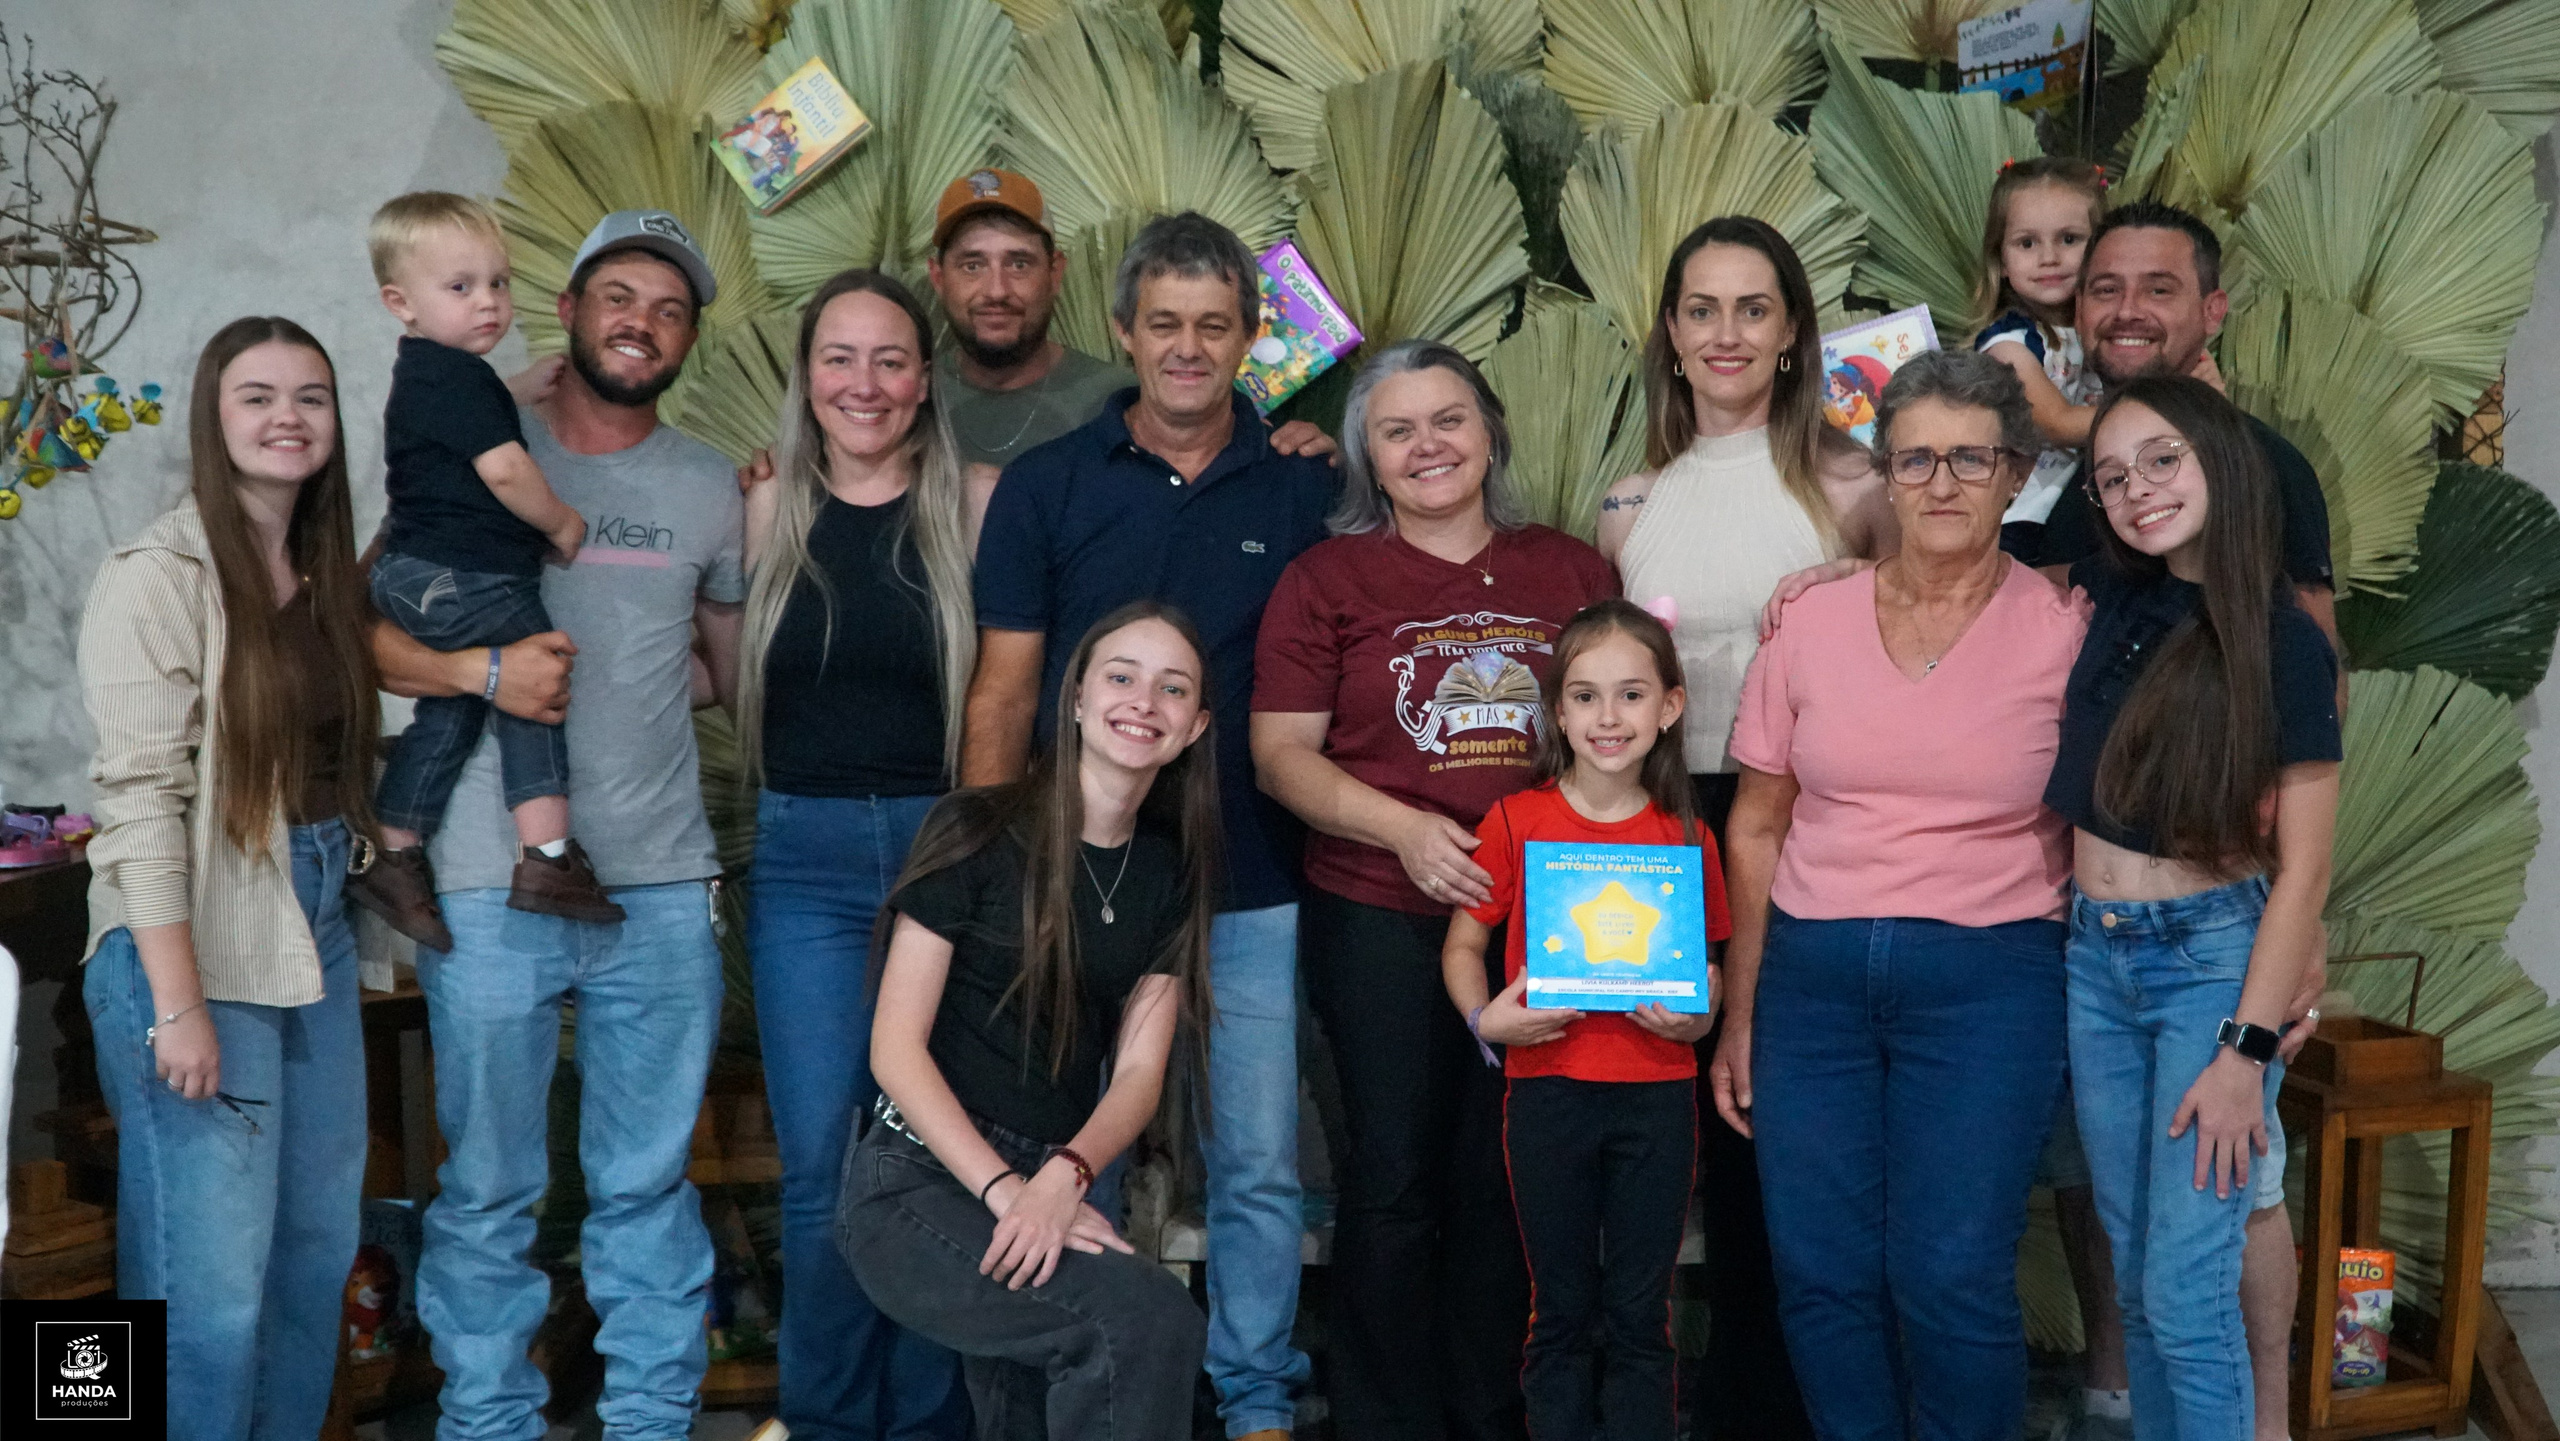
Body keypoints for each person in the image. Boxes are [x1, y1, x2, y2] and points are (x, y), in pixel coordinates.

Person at [368, 209, 747, 1441]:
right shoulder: (480, 438)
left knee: (647, 1185)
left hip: (659, 881)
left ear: (686, 339)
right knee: (487, 1189)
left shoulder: (708, 484)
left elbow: (728, 672)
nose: (643, 322)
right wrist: (485, 675)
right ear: (571, 311)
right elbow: (365, 633)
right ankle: (488, 1423)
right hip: (489, 879)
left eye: (670, 309)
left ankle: (648, 1422)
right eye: (619, 296)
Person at [963, 210, 1325, 1441]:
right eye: (1163, 323)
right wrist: (986, 863)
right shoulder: (1048, 484)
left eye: (1213, 326)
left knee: (1257, 1160)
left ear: (1251, 337)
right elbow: (1005, 689)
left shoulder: (1301, 487)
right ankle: (1100, 1388)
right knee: (1085, 1150)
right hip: (1085, 880)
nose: (1187, 348)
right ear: (1122, 330)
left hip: (1251, 879)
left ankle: (1255, 1398)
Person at [1716, 350, 2085, 1439]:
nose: (1941, 483)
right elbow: (1756, 823)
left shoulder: (2065, 628)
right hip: (1812, 982)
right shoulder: (1811, 621)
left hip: (1990, 982)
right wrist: (1743, 1009)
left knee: (1951, 1272)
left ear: (2014, 474)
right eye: (1915, 458)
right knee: (1821, 1272)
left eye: (1970, 458)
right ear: (1883, 472)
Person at [1251, 340, 1617, 1438]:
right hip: (1380, 909)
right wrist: (1404, 830)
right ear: (1367, 453)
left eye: (1448, 420)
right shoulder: (1327, 578)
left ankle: (1492, 1412)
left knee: (1509, 1175)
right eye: (1397, 429)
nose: (1427, 447)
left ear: (1490, 432)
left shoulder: (1569, 571)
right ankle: (1386, 1418)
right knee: (1394, 1177)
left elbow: (1619, 728)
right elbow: (1280, 754)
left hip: (1540, 917)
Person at [1594, 214, 1889, 1441]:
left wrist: (1857, 581)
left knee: (1776, 1124)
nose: (1725, 332)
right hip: (1666, 829)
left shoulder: (1854, 487)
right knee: (1674, 1126)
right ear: (1670, 333)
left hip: (1808, 827)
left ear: (1791, 334)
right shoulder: (1628, 503)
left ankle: (1779, 1406)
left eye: (1752, 308)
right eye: (1701, 309)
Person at [78, 316, 382, 1440]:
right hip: (194, 939)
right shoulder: (155, 575)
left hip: (315, 925)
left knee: (312, 1259)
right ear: (214, 418)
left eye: (311, 395)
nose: (287, 416)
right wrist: (179, 1003)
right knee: (206, 1293)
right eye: (257, 395)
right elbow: (139, 806)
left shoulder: (320, 572)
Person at [844, 602, 1221, 1441]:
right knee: (1141, 1323)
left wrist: (1064, 1176)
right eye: (1121, 676)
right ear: (1077, 697)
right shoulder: (976, 828)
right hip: (920, 1177)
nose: (1144, 701)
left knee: (1029, 1412)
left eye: (1173, 688)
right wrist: (1010, 1191)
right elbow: (894, 1048)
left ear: (1195, 727)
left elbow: (1139, 1073)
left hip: (1052, 1176)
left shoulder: (1168, 870)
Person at [2054, 376, 2340, 1439]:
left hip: (2206, 966)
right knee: (2136, 1278)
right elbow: (1974, 557)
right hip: (2095, 961)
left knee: (2185, 1286)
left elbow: (2303, 869)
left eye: (2162, 459)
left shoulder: (2281, 638)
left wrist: (2243, 1051)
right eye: (2112, 476)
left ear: (2221, 456)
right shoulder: (2117, 592)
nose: (2137, 489)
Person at [733, 270, 979, 1440]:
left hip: (945, 855)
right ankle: (827, 1420)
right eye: (839, 357)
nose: (864, 383)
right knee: (823, 1160)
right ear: (806, 375)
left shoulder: (976, 505)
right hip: (805, 863)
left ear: (924, 380)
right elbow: (703, 656)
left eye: (890, 359)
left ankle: (929, 1423)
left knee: (931, 1150)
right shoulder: (762, 506)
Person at [1441, 601, 1730, 1441]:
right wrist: (1484, 1019)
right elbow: (1463, 946)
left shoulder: (1687, 835)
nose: (1609, 716)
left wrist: (1698, 1021)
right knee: (1560, 1309)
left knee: (1642, 1314)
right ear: (1558, 713)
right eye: (1585, 695)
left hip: (1657, 1099)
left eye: (1631, 695)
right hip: (1546, 1094)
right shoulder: (1514, 821)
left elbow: (1707, 974)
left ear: (1669, 707)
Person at [349, 191, 619, 948]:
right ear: (400, 302)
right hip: (465, 578)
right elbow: (503, 470)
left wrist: (516, 388)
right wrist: (561, 522)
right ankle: (548, 857)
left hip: (416, 575)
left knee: (456, 706)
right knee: (536, 681)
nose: (488, 302)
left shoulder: (435, 374)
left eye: (498, 282)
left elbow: (460, 423)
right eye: (460, 287)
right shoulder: (457, 379)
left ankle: (393, 849)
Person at [919, 168, 1328, 506]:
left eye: (1019, 264)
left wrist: (1314, 457)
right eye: (972, 265)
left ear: (1056, 272)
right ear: (937, 276)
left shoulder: (1127, 400)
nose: (996, 290)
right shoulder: (905, 402)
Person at [1973, 158, 2110, 552]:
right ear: (2001, 259)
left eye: (2069, 239)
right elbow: (2058, 423)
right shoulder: (2008, 344)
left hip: (2099, 501)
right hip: (2028, 522)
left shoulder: (2108, 329)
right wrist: (2163, 410)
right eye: (2027, 243)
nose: (2049, 257)